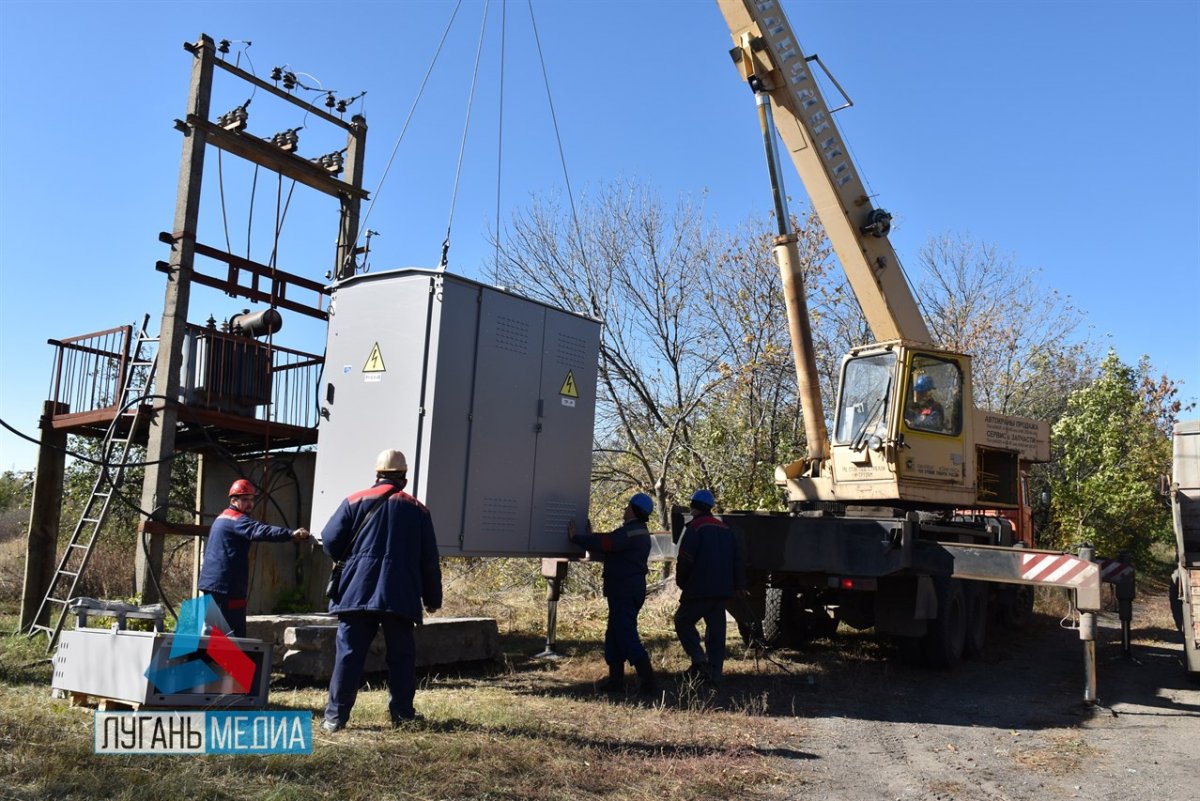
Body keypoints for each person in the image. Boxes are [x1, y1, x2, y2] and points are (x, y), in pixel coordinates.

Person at [320, 449, 442, 733]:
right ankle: (402, 715)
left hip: (356, 591)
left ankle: (334, 719)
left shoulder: (354, 500)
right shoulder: (418, 509)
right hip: (399, 593)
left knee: (348, 655)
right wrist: (432, 599)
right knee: (401, 657)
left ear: (376, 474)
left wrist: (350, 560)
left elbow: (329, 539)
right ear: (404, 477)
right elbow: (428, 560)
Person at [197, 479, 310, 638]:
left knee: (211, 633)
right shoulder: (236, 520)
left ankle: (199, 660)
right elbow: (260, 531)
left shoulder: (222, 517)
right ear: (233, 500)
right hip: (226, 588)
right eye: (245, 500)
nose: (250, 504)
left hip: (213, 584)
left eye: (251, 499)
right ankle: (222, 662)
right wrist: (291, 534)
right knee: (232, 636)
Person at [567, 493, 657, 693]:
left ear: (633, 509)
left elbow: (607, 543)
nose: (625, 510)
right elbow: (610, 543)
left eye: (627, 507)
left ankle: (648, 681)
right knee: (615, 634)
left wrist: (577, 538)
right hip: (627, 589)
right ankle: (615, 681)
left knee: (625, 634)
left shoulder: (630, 533)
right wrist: (591, 538)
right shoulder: (637, 532)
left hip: (624, 590)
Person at [674, 489, 745, 685]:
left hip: (699, 588)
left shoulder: (695, 528)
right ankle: (715, 673)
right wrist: (739, 585)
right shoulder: (724, 528)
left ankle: (699, 661)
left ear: (693, 505)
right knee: (716, 631)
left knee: (682, 621)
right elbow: (737, 559)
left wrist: (682, 582)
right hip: (722, 589)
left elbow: (685, 559)